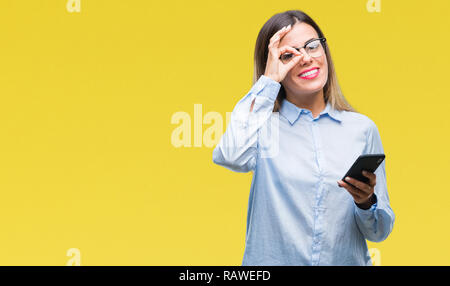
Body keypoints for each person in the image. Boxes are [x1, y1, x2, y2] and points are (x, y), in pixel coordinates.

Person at [212, 10, 395, 266]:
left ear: (324, 50)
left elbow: (378, 231)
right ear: (272, 64)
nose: (306, 58)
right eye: (288, 55)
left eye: (312, 46)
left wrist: (366, 202)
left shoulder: (361, 129)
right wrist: (268, 82)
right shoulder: (263, 128)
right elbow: (230, 155)